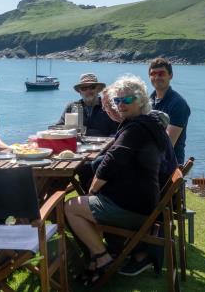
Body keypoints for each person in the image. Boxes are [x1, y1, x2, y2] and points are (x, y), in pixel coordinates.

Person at [64, 75, 170, 287]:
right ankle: (99, 255)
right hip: (143, 203)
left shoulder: (136, 128)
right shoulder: (145, 123)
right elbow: (116, 153)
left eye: (126, 100)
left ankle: (101, 257)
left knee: (70, 207)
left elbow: (110, 164)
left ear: (140, 100)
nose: (120, 105)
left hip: (132, 208)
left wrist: (92, 192)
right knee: (83, 204)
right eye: (117, 101)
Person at [148, 58, 191, 165]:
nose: (157, 77)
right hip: (151, 158)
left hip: (168, 164)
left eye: (161, 73)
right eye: (153, 74)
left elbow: (168, 144)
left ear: (170, 75)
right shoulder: (149, 101)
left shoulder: (178, 104)